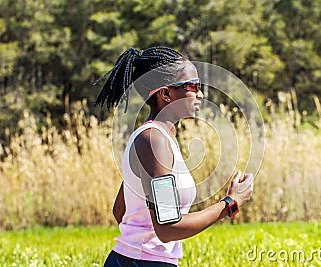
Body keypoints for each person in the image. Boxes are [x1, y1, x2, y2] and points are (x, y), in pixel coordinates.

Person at [95, 46, 254, 267]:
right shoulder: (154, 141)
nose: (200, 93)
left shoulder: (157, 139)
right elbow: (167, 228)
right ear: (166, 94)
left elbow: (121, 210)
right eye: (192, 86)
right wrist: (230, 203)